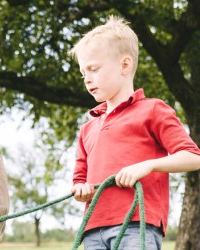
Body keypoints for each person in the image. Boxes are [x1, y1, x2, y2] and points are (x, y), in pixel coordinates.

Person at [69, 16, 200, 249]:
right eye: (83, 73)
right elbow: (80, 179)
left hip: (136, 225)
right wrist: (80, 189)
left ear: (125, 65)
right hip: (92, 230)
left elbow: (193, 157)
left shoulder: (153, 109)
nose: (87, 78)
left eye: (94, 69)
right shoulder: (88, 129)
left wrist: (147, 165)